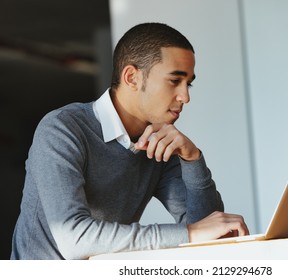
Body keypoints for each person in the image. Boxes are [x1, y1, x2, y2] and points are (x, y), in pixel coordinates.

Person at [11, 22, 249, 260]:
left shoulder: (160, 144)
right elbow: (75, 239)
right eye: (174, 81)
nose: (185, 96)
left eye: (189, 83)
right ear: (132, 77)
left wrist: (193, 159)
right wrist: (189, 234)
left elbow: (210, 234)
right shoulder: (62, 129)